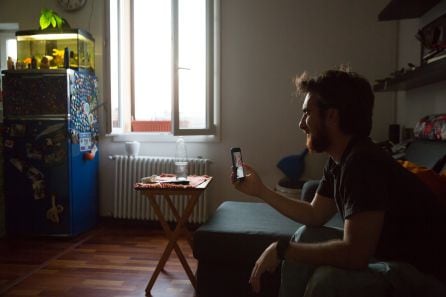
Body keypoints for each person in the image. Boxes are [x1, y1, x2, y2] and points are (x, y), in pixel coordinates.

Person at [232, 69, 446, 297]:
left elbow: (355, 255)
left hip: (423, 275)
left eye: (307, 113)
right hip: (384, 256)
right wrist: (261, 191)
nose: (301, 124)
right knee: (306, 234)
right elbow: (315, 214)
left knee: (328, 281)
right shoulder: (339, 159)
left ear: (332, 116)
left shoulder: (363, 162)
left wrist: (283, 250)